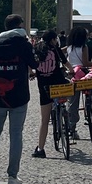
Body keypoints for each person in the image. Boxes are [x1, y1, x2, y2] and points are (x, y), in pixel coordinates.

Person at [0, 14, 38, 184]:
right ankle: (12, 176)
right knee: (16, 134)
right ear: (19, 26)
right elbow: (34, 64)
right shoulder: (24, 44)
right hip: (19, 95)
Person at [65, 25, 92, 135]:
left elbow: (59, 53)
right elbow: (85, 63)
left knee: (72, 103)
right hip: (83, 76)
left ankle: (71, 128)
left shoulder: (69, 47)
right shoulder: (84, 47)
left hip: (72, 76)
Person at [31, 29, 67, 158]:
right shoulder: (55, 49)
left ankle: (40, 149)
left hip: (43, 86)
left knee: (44, 120)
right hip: (58, 83)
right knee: (69, 89)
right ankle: (64, 113)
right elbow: (65, 62)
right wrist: (72, 71)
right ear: (52, 40)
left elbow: (30, 63)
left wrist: (32, 73)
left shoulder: (36, 49)